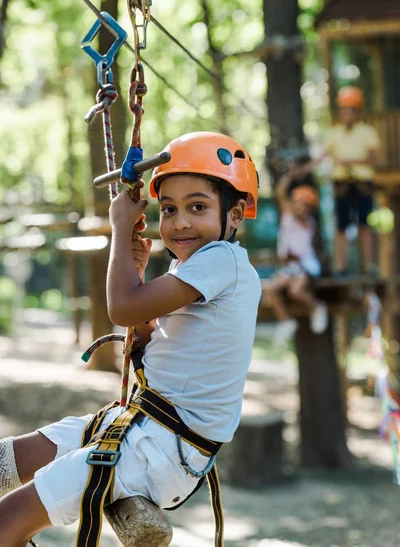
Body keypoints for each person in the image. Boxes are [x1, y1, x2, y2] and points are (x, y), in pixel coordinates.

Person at [0, 132, 261, 547]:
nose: (179, 222)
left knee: (8, 518)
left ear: (235, 215)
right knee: (12, 458)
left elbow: (120, 308)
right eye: (169, 209)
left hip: (162, 447)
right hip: (145, 426)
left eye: (198, 207)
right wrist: (136, 280)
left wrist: (120, 228)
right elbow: (141, 328)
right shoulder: (196, 268)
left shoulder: (221, 260)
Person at [265, 165, 328, 346]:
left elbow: (301, 253)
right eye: (297, 203)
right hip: (291, 267)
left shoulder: (308, 224)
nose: (299, 208)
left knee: (296, 290)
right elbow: (281, 193)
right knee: (271, 289)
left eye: (304, 205)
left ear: (309, 208)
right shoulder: (288, 217)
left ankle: (316, 306)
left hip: (305, 265)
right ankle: (286, 321)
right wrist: (290, 177)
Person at [324, 86, 380, 276]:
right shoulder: (334, 133)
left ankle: (369, 266)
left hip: (362, 183)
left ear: (357, 112)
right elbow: (324, 156)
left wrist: (351, 161)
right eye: (344, 110)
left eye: (350, 110)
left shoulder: (367, 132)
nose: (346, 114)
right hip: (341, 184)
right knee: (342, 227)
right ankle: (342, 267)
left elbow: (374, 159)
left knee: (364, 225)